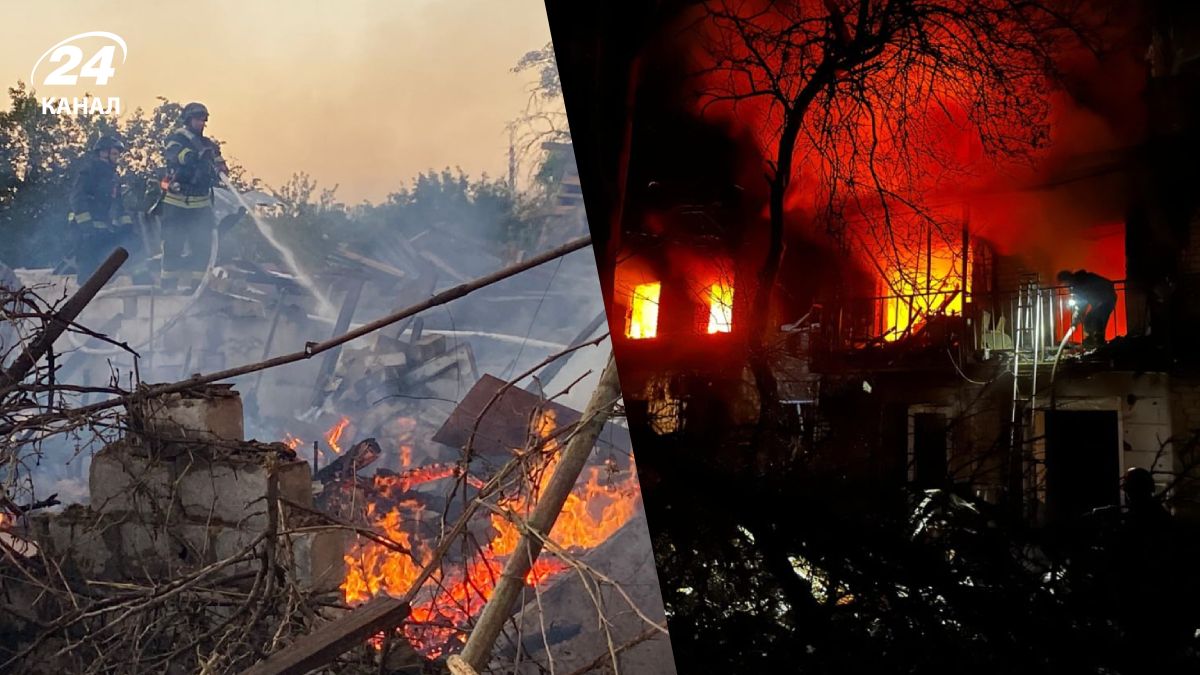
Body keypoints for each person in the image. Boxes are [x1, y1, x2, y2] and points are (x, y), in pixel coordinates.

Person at [158, 102, 227, 291]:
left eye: (204, 120)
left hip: (201, 205)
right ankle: (168, 287)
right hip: (176, 203)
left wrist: (221, 167)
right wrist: (194, 155)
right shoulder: (177, 138)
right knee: (173, 245)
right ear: (188, 120)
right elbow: (174, 154)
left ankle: (197, 287)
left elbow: (220, 162)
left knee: (201, 247)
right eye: (198, 119)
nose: (201, 124)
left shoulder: (209, 145)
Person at [68, 135, 133, 280]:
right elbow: (77, 199)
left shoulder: (113, 177)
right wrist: (86, 227)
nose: (117, 158)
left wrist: (127, 225)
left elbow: (118, 204)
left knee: (107, 269)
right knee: (87, 271)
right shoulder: (89, 171)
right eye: (114, 154)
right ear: (103, 153)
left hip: (103, 229)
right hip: (84, 230)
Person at [1057, 269, 1117, 350]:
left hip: (1104, 300)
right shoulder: (1081, 280)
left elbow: (1081, 304)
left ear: (1067, 280)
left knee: (1092, 321)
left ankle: (1094, 344)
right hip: (1105, 299)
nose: (1065, 288)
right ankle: (1097, 344)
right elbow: (1082, 304)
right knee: (1095, 321)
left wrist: (1076, 319)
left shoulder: (1079, 284)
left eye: (1064, 284)